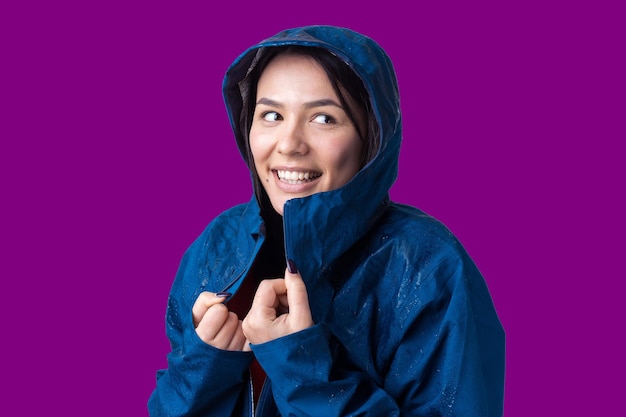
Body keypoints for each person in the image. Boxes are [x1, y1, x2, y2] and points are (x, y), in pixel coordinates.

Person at [148, 25, 505, 417]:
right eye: (271, 115)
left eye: (323, 118)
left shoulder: (426, 266)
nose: (289, 144)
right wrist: (201, 369)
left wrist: (306, 374)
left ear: (372, 136)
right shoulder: (216, 247)